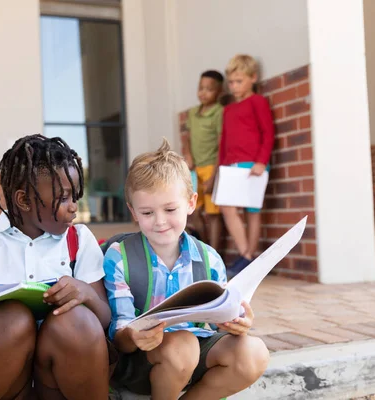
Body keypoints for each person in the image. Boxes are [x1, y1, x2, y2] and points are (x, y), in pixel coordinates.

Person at [0, 135, 112, 400]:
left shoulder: (80, 240)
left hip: (58, 383)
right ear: (24, 200)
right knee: (12, 319)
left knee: (77, 320)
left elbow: (104, 318)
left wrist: (85, 293)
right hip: (5, 385)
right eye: (63, 198)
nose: (74, 207)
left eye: (76, 196)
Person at [104, 139, 269, 400]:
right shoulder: (120, 257)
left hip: (196, 354)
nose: (160, 222)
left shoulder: (210, 259)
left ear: (191, 203)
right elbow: (119, 336)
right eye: (147, 212)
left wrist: (238, 324)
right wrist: (133, 336)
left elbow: (218, 327)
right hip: (142, 361)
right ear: (133, 212)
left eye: (170, 209)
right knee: (183, 345)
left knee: (254, 352)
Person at [219, 55, 275, 278]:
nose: (234, 87)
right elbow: (224, 141)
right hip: (231, 166)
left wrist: (262, 161)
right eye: (231, 82)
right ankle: (246, 255)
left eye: (239, 81)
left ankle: (248, 255)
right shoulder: (228, 110)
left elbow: (268, 133)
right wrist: (222, 168)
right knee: (228, 207)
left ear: (253, 78)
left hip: (253, 165)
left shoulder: (258, 102)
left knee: (252, 211)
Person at [180, 70, 225, 250]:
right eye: (201, 88)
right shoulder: (193, 113)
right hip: (194, 169)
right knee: (193, 210)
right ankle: (203, 248)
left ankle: (214, 253)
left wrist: (214, 175)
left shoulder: (219, 112)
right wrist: (188, 155)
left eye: (209, 89)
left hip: (211, 168)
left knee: (213, 214)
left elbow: (222, 143)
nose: (203, 92)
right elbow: (188, 138)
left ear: (219, 92)